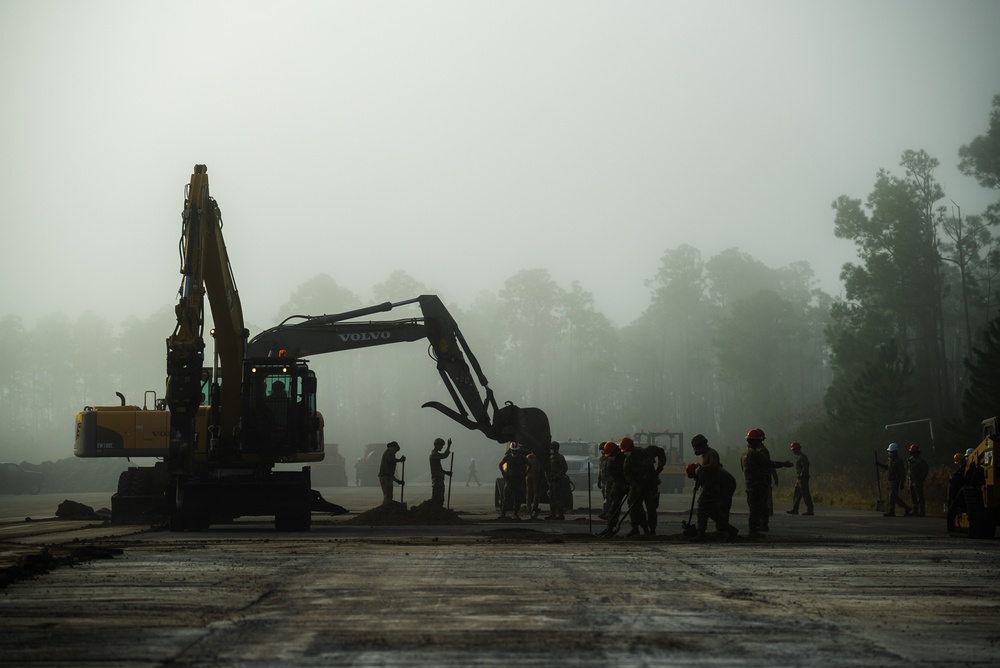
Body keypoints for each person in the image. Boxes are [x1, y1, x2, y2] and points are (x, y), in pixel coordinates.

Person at [687, 434, 740, 541]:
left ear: (702, 445)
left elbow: (713, 465)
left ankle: (701, 534)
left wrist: (701, 468)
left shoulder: (712, 453)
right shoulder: (704, 455)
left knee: (702, 507)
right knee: (712, 511)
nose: (696, 450)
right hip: (708, 485)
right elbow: (704, 474)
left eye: (696, 447)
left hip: (712, 486)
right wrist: (697, 483)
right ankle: (730, 530)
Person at [740, 428, 791, 538]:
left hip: (750, 483)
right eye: (759, 441)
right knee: (757, 507)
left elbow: (743, 470)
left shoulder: (744, 454)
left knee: (754, 506)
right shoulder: (754, 453)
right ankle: (753, 530)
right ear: (754, 441)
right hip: (758, 484)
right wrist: (783, 464)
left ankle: (755, 527)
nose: (760, 443)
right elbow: (768, 463)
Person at [621, 435, 666, 536]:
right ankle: (637, 528)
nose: (626, 452)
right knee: (633, 505)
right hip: (637, 487)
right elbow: (628, 476)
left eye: (627, 450)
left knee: (651, 508)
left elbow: (661, 451)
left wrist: (660, 465)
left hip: (651, 485)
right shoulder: (628, 462)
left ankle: (652, 530)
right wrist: (636, 486)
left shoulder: (647, 452)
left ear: (632, 446)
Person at [598, 441, 628, 537]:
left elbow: (631, 472)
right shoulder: (611, 460)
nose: (610, 456)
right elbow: (613, 475)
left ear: (616, 450)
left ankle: (641, 528)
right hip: (619, 485)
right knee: (614, 506)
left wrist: (630, 485)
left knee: (635, 506)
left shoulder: (627, 458)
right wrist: (621, 485)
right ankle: (610, 527)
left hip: (632, 484)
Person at [876, 442, 911, 517]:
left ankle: (892, 511)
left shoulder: (899, 461)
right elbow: (887, 467)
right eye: (889, 452)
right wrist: (879, 464)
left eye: (891, 452)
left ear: (895, 452)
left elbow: (902, 473)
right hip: (891, 480)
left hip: (896, 480)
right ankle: (906, 508)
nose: (889, 453)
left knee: (892, 496)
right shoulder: (890, 460)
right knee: (894, 497)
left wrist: (902, 482)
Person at [498, 443, 528, 520]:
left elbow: (530, 465)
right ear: (511, 450)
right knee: (506, 497)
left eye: (515, 451)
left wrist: (525, 474)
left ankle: (515, 513)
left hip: (518, 480)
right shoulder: (508, 457)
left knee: (518, 498)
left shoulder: (522, 458)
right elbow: (500, 464)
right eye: (513, 450)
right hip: (510, 480)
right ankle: (503, 514)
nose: (514, 452)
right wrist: (503, 473)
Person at [786, 442, 815, 516]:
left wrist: (802, 474)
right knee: (797, 494)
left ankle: (810, 510)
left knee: (805, 494)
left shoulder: (802, 457)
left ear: (797, 449)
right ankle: (795, 509)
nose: (793, 451)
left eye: (794, 449)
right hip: (799, 479)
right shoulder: (799, 457)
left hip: (803, 479)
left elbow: (806, 466)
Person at [546, 441, 569, 520]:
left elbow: (564, 468)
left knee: (558, 498)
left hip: (557, 481)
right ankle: (552, 514)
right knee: (551, 498)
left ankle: (560, 514)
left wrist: (558, 476)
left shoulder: (560, 457)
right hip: (551, 480)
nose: (550, 450)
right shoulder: (550, 457)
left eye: (552, 448)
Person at [377, 441, 405, 506]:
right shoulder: (390, 450)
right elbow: (390, 459)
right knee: (388, 497)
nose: (395, 453)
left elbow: (390, 474)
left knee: (388, 497)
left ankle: (385, 510)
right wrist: (399, 460)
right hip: (385, 477)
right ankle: (385, 511)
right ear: (395, 447)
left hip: (386, 477)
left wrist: (398, 481)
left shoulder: (389, 452)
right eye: (396, 451)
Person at [906, 443, 929, 517]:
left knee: (920, 496)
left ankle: (922, 511)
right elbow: (909, 471)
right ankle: (915, 510)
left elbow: (925, 471)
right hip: (911, 480)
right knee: (913, 496)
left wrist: (920, 478)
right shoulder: (910, 460)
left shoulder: (921, 461)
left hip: (918, 481)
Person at [428, 437, 452, 507]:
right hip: (437, 478)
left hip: (438, 477)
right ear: (437, 445)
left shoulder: (435, 454)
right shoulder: (434, 454)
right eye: (441, 446)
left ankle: (438, 508)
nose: (442, 448)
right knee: (437, 495)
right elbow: (444, 455)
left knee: (440, 495)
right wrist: (448, 447)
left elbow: (438, 468)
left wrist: (446, 472)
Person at [525, 449, 543, 519]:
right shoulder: (539, 457)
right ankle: (535, 507)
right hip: (536, 475)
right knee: (536, 492)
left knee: (528, 492)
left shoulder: (528, 456)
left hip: (528, 476)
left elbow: (525, 465)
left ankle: (528, 507)